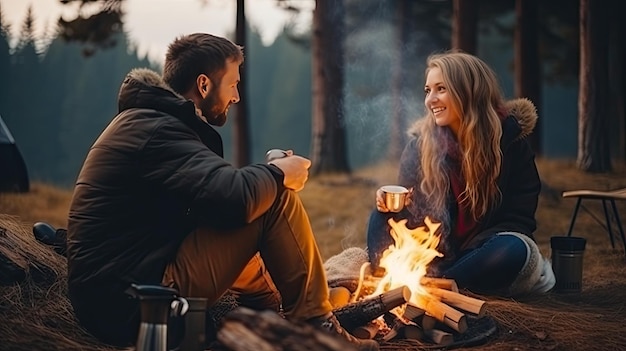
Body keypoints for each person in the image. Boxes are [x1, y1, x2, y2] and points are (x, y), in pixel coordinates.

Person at [66, 33, 378, 351]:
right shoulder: (158, 130)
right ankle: (320, 331)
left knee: (253, 205)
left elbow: (220, 206)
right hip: (134, 301)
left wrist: (266, 179)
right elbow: (237, 200)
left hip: (123, 289)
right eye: (232, 84)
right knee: (275, 201)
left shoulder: (154, 123)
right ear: (204, 85)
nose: (237, 96)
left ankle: (271, 323)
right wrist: (278, 174)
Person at [366, 51, 555, 297]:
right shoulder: (419, 147)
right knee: (379, 216)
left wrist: (474, 251)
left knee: (516, 248)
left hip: (478, 255)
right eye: (427, 90)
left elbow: (519, 220)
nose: (430, 100)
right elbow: (409, 221)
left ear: (468, 91)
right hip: (433, 255)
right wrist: (392, 203)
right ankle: (425, 285)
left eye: (441, 89)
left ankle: (425, 288)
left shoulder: (511, 145)